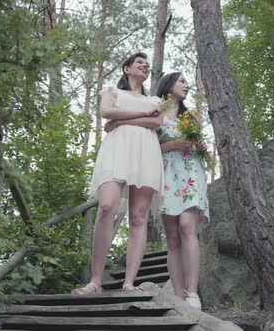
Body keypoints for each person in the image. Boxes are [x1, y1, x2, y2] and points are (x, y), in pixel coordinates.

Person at [106, 72, 209, 309]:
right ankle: (179, 297)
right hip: (164, 175)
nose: (187, 85)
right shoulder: (155, 109)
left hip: (190, 173)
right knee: (172, 237)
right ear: (169, 85)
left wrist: (201, 146)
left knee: (186, 227)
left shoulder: (191, 116)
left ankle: (193, 293)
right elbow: (144, 143)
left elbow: (198, 145)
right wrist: (171, 145)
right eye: (182, 81)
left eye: (187, 82)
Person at [72, 52, 164, 294]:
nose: (145, 66)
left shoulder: (155, 99)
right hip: (116, 152)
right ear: (127, 69)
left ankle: (129, 283)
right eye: (139, 63)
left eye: (147, 64)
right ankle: (95, 281)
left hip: (145, 154)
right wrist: (143, 115)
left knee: (138, 217)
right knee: (106, 207)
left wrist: (122, 121)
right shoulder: (112, 91)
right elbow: (106, 113)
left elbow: (156, 124)